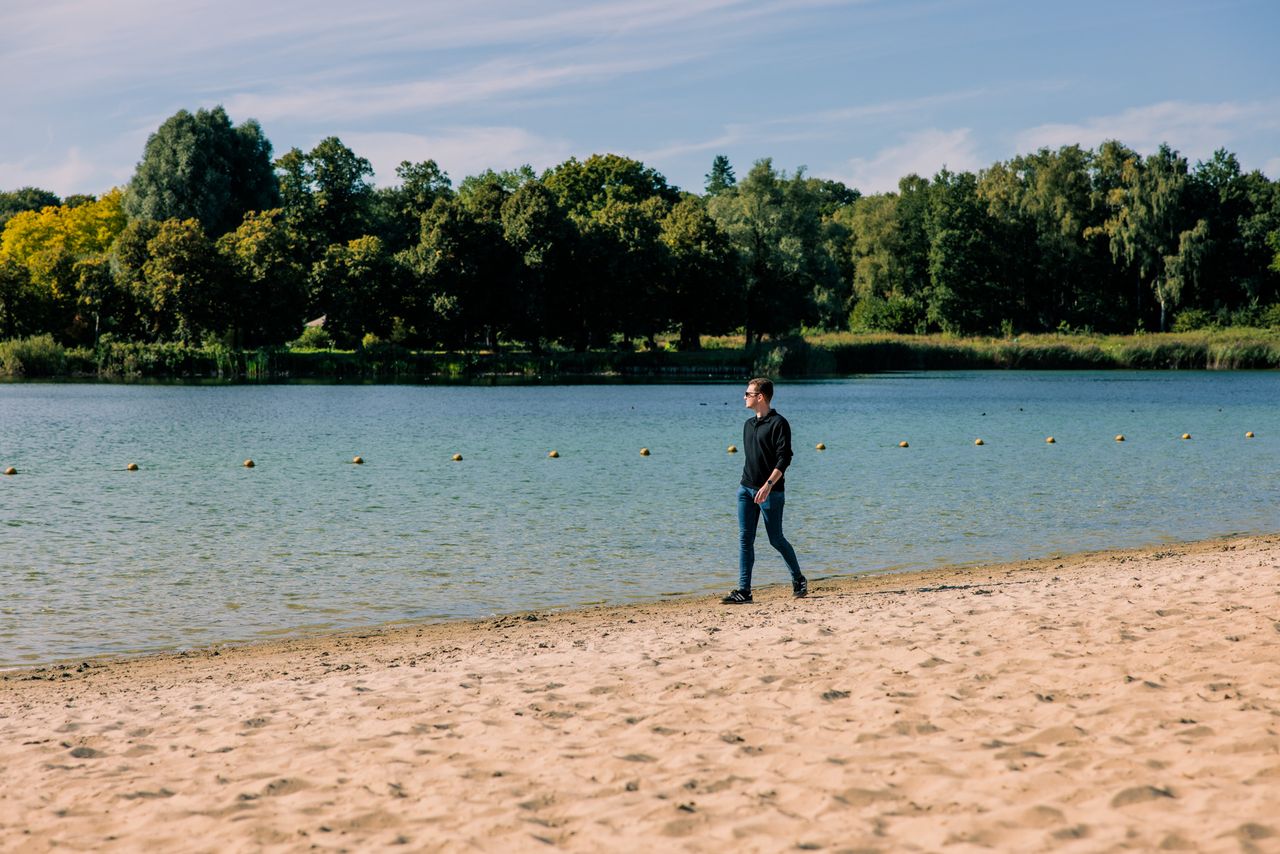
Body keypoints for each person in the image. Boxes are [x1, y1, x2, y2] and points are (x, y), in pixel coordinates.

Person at [723, 377, 807, 604]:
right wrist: (748, 486)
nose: (744, 397)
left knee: (776, 539)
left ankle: (798, 579)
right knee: (745, 539)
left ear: (760, 397)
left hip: (771, 491)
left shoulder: (779, 423)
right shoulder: (748, 425)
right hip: (746, 490)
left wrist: (768, 486)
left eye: (748, 394)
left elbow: (784, 458)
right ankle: (744, 591)